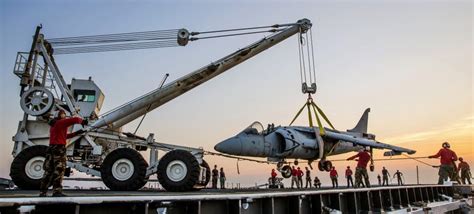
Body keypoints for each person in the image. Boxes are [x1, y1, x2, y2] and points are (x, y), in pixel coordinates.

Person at [40, 109, 86, 197]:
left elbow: (65, 136)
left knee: (49, 170)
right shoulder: (61, 123)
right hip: (59, 148)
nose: (65, 115)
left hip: (51, 148)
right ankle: (56, 192)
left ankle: (43, 192)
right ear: (60, 115)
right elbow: (75, 120)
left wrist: (76, 133)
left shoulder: (54, 125)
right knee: (59, 170)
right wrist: (83, 121)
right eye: (64, 114)